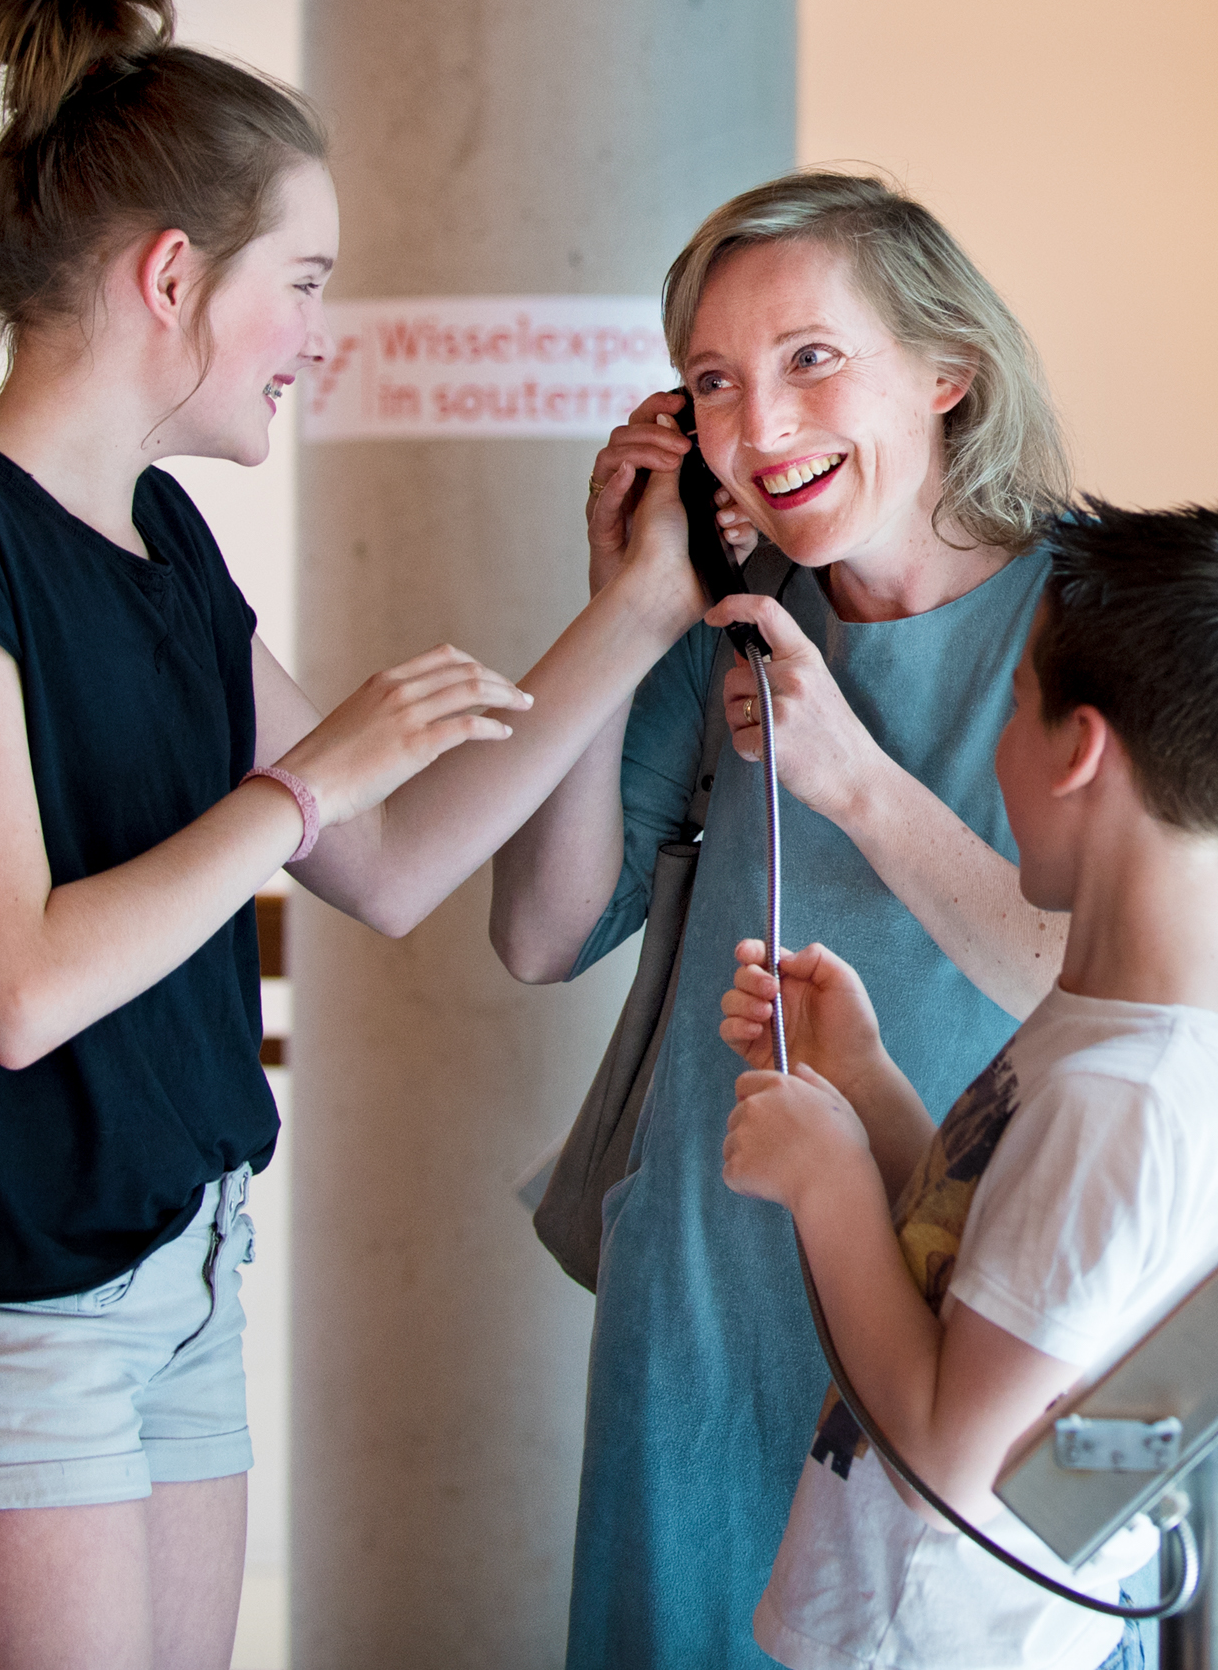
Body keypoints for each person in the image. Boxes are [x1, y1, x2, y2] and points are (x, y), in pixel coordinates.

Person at [0, 0, 673, 1670]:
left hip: (176, 1264)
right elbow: (18, 985)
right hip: (3, 1290)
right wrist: (301, 783)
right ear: (169, 275)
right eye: (306, 282)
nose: (317, 334)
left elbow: (398, 862)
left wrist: (630, 611)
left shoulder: (164, 546)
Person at [489, 170, 1077, 1670]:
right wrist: (620, 605)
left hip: (967, 1317)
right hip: (696, 1298)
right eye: (714, 382)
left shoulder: (1100, 618)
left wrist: (856, 783)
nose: (761, 428)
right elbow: (540, 930)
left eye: (812, 358)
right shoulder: (731, 616)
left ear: (947, 368)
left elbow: (1101, 979)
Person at [715, 500, 1218, 1670]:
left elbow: (951, 1464)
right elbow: (1003, 1269)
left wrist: (827, 1187)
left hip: (926, 1641)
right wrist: (865, 1086)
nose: (999, 740)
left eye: (1016, 701)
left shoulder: (1127, 1095)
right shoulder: (1186, 1020)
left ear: (1080, 748)